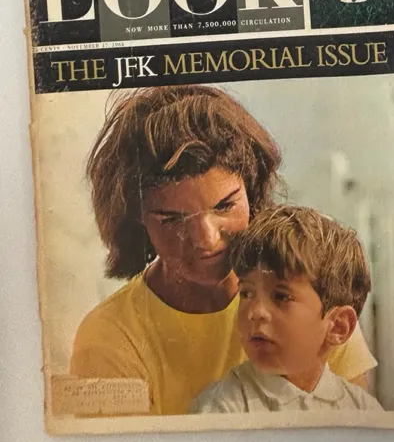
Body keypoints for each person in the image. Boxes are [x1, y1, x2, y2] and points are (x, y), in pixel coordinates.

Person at [69, 86, 376, 415]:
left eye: (225, 205)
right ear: (136, 219)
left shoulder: (314, 290)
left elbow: (352, 432)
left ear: (251, 190)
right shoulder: (110, 337)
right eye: (172, 219)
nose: (206, 239)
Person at [191, 205, 382, 414]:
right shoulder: (223, 407)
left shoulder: (362, 409)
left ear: (338, 326)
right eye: (246, 293)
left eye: (281, 296)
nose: (255, 312)